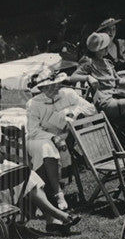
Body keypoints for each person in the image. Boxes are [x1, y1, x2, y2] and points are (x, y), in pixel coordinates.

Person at [25, 73, 95, 211]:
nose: (55, 88)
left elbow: (91, 109)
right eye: (49, 86)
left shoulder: (68, 94)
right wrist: (53, 137)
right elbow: (33, 131)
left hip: (65, 136)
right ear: (42, 89)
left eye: (56, 84)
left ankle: (45, 196)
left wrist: (69, 112)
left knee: (49, 148)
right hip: (39, 138)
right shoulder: (33, 104)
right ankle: (57, 194)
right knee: (45, 147)